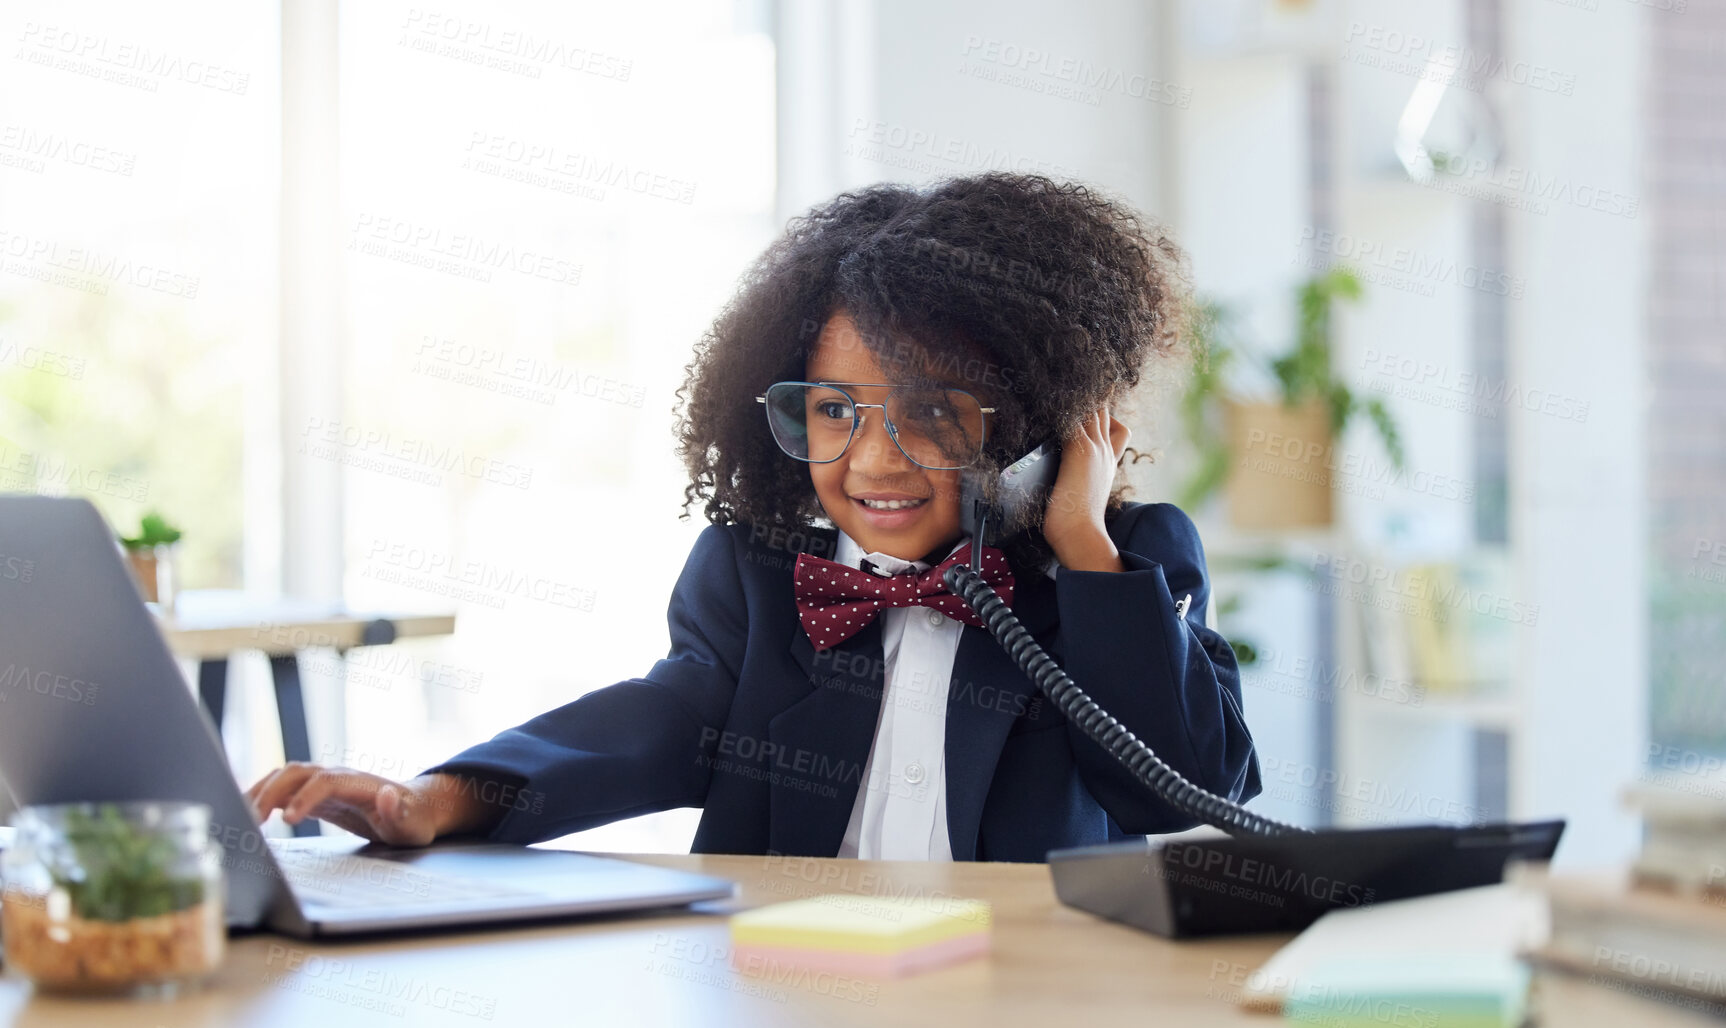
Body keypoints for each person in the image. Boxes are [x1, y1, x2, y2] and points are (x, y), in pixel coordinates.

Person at [246, 171, 1261, 862]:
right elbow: (652, 725)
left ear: (1054, 424)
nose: (870, 459)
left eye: (933, 414)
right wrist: (438, 800)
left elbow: (1176, 789)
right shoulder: (755, 575)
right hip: (790, 1010)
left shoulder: (1120, 572)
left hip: (1028, 1015)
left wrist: (1081, 541)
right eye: (831, 412)